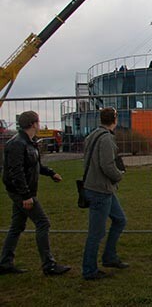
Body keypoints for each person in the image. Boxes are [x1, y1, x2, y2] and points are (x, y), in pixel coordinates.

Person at [0, 111, 71, 276]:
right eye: (38, 122)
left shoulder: (30, 143)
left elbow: (34, 165)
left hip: (24, 191)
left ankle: (5, 263)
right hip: (21, 192)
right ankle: (49, 265)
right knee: (43, 223)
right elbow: (15, 172)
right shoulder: (17, 144)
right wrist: (25, 196)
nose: (39, 125)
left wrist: (51, 173)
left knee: (17, 226)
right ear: (33, 124)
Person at [82, 107, 128, 280]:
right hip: (100, 190)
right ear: (114, 120)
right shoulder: (107, 139)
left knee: (120, 220)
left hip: (98, 188)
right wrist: (119, 176)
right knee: (96, 232)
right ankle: (89, 270)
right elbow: (107, 165)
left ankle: (109, 257)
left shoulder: (92, 135)